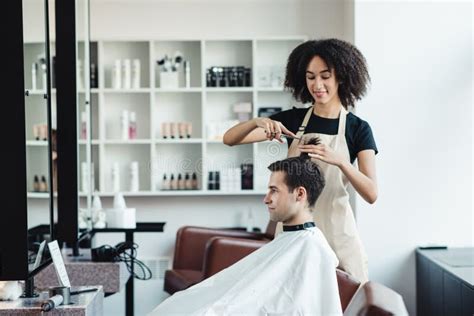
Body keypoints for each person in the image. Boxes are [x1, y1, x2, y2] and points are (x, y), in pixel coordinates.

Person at [223, 38, 378, 283]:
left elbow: (371, 193)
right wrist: (256, 121)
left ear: (341, 76)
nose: (317, 84)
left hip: (338, 234)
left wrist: (341, 162)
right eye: (310, 76)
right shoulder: (293, 121)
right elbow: (230, 139)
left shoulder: (357, 129)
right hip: (293, 235)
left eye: (325, 76)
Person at [150, 153, 343, 316]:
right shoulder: (292, 239)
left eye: (274, 190)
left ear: (300, 194)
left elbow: (294, 307)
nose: (266, 199)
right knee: (180, 304)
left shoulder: (311, 247)